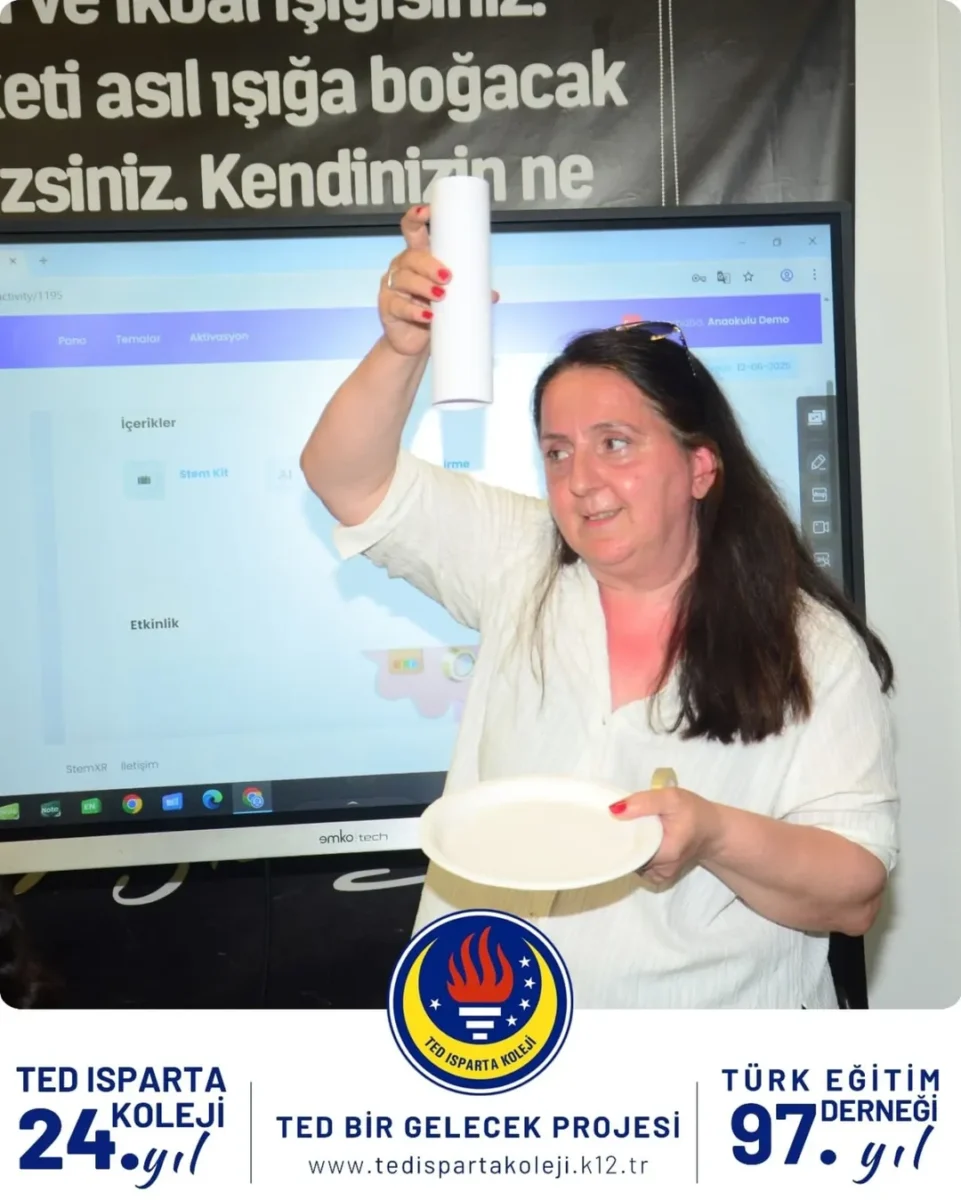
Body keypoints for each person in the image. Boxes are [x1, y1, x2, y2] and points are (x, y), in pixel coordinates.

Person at [300, 206, 898, 1009]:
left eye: (614, 444)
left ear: (698, 467)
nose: (579, 480)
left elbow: (853, 892)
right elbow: (344, 476)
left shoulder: (810, 647)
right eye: (557, 452)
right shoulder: (519, 560)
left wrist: (713, 833)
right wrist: (405, 346)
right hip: (488, 1033)